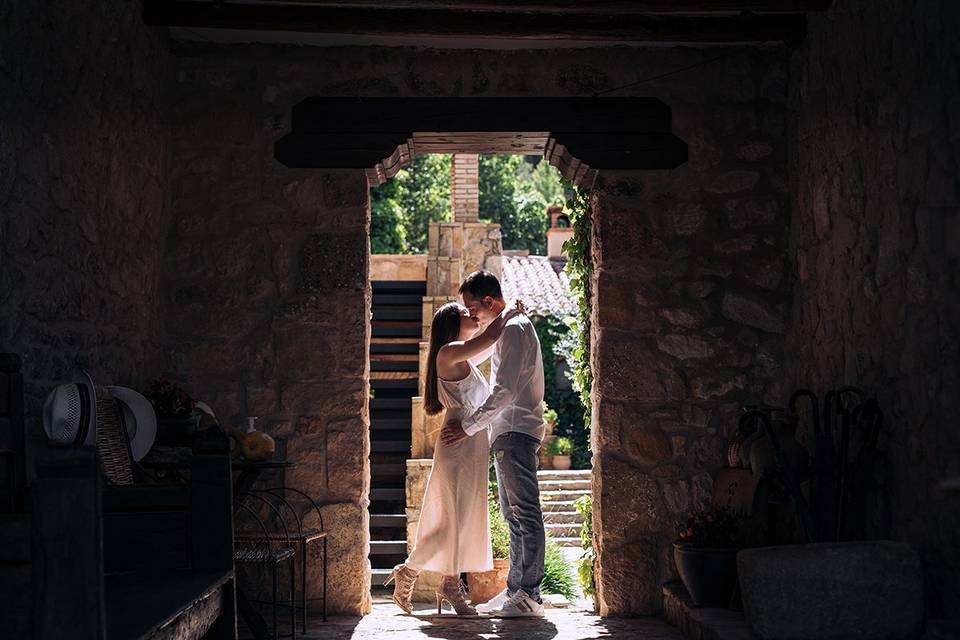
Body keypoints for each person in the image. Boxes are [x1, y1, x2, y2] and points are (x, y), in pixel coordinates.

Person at [385, 299, 525, 615]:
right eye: (465, 314)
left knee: (462, 517)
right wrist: (508, 312)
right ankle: (418, 574)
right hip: (457, 442)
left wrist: (509, 322)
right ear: (452, 324)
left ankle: (444, 582)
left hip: (473, 442)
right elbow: (489, 340)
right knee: (450, 517)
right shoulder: (448, 352)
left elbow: (492, 346)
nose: (472, 315)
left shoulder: (462, 356)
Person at [441, 270, 547, 618]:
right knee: (513, 516)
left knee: (526, 514)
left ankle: (529, 594)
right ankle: (516, 590)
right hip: (507, 432)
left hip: (515, 430)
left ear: (488, 301)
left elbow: (506, 391)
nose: (471, 316)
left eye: (473, 309)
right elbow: (478, 355)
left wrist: (469, 427)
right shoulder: (506, 328)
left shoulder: (514, 331)